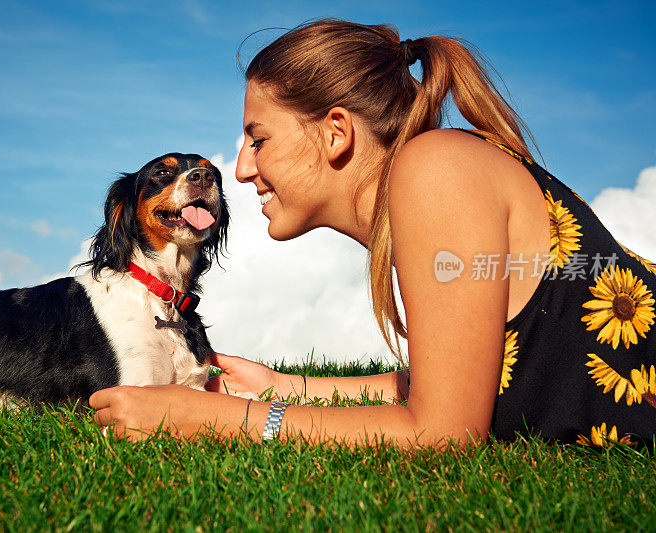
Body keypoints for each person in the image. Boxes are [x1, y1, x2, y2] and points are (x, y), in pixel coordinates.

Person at [89, 19, 656, 449]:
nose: (238, 169)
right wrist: (285, 386)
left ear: (336, 133)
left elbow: (441, 433)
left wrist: (216, 418)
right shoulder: (434, 177)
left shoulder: (436, 171)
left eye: (258, 139)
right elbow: (460, 383)